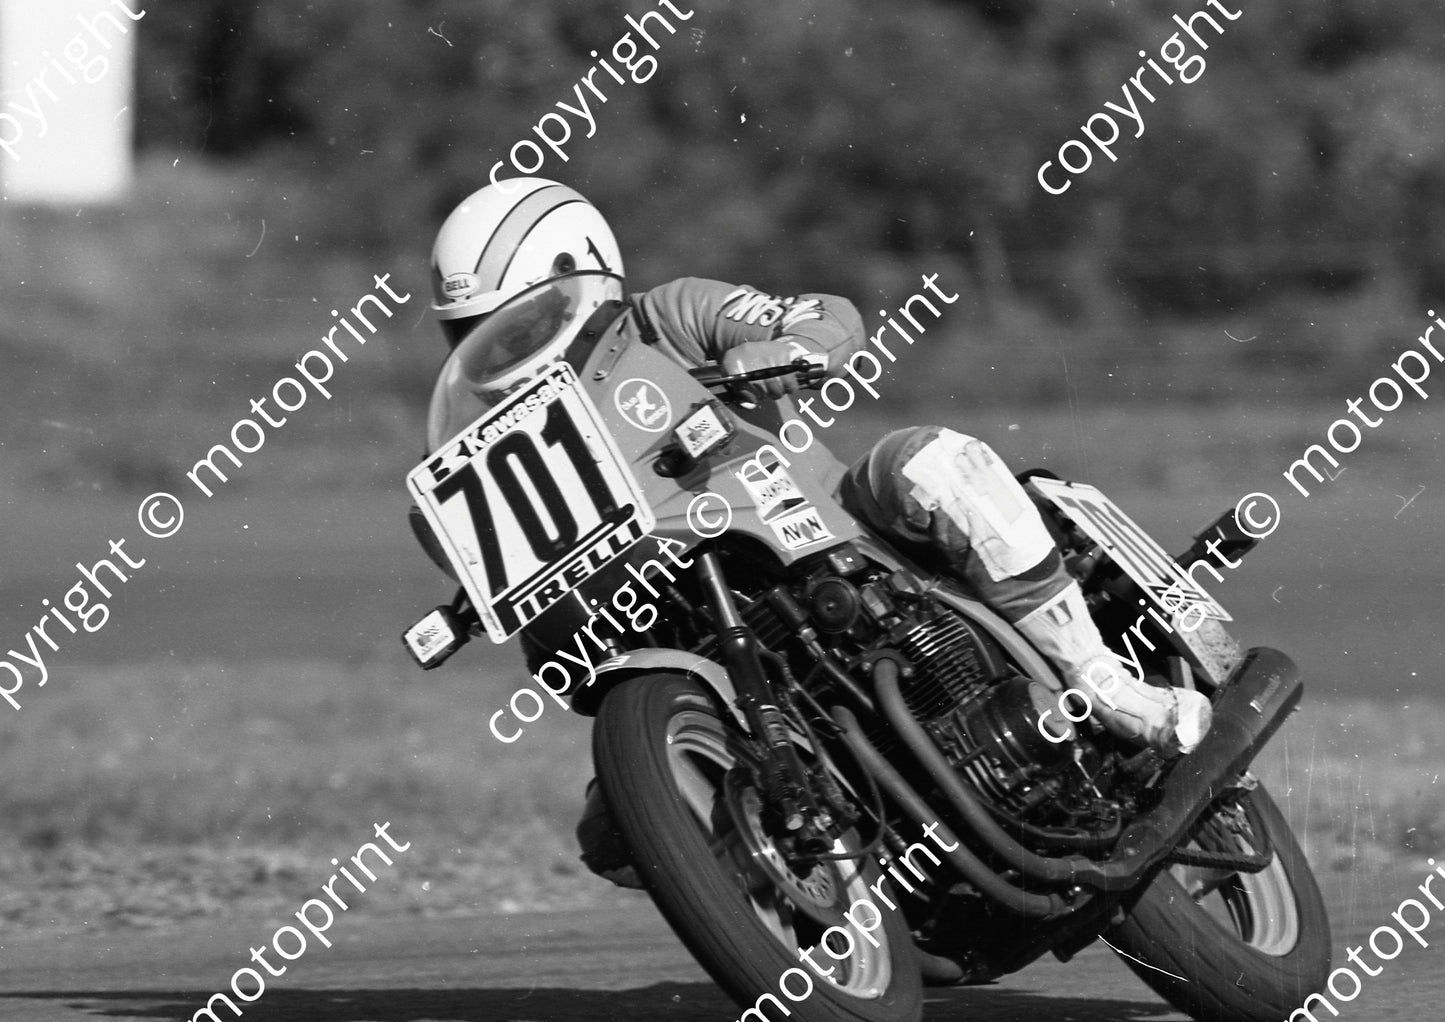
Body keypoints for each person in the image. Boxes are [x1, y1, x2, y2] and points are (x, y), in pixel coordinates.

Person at [424, 177, 1212, 884]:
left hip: (834, 527)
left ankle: (1098, 681)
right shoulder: (494, 441)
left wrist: (789, 349)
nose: (499, 348)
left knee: (932, 462)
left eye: (513, 322)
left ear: (576, 272)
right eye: (473, 333)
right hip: (688, 622)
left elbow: (814, 316)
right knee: (612, 835)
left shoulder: (665, 316)